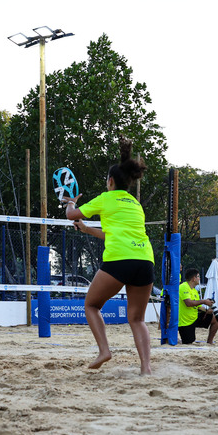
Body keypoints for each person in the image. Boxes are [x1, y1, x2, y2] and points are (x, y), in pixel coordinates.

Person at [65, 138, 155, 375]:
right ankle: (146, 369)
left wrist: (70, 201)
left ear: (110, 181)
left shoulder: (105, 198)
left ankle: (104, 351)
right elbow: (113, 234)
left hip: (119, 259)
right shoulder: (135, 204)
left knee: (91, 305)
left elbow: (71, 214)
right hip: (145, 260)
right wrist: (87, 229)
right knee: (137, 319)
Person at [178, 267, 218, 345]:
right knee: (188, 342)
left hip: (194, 317)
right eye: (198, 276)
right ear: (194, 278)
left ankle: (210, 342)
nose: (199, 278)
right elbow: (188, 303)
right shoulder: (183, 287)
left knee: (216, 319)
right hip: (185, 321)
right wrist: (204, 301)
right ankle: (176, 338)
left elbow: (199, 306)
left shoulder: (194, 291)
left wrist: (207, 311)